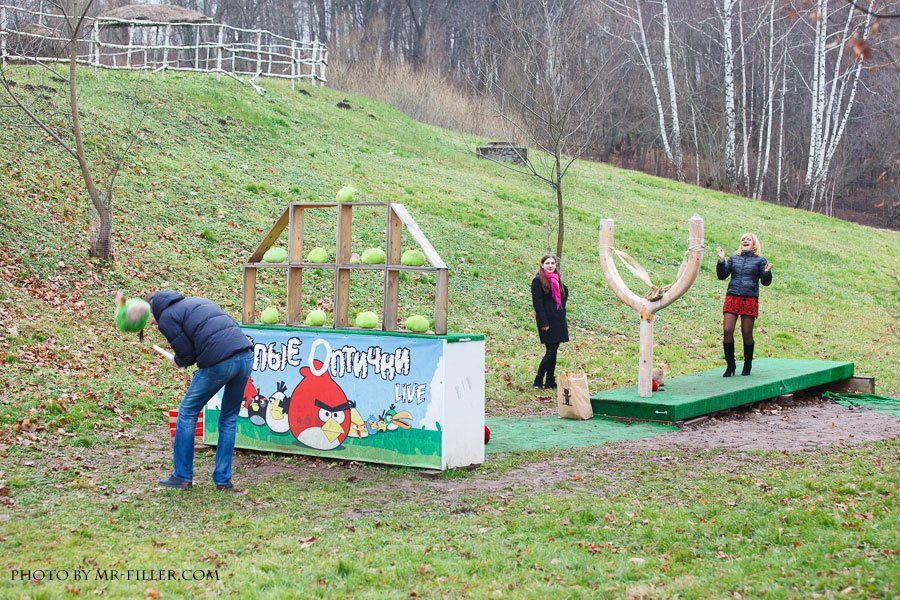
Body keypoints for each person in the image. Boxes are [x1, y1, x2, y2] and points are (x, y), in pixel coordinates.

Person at [145, 290, 253, 490]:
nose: (150, 323)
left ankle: (182, 476)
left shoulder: (167, 317)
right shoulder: (196, 301)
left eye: (149, 318)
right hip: (245, 356)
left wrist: (177, 361)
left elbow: (187, 354)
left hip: (219, 362)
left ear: (153, 309)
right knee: (228, 418)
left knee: (187, 412)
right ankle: (223, 480)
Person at [716, 233, 773, 377]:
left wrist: (767, 273)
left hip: (749, 298)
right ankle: (731, 365)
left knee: (746, 333)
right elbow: (722, 276)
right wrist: (722, 261)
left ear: (754, 244)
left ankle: (747, 365)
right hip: (733, 297)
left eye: (749, 239)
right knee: (727, 330)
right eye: (743, 239)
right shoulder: (733, 258)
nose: (745, 241)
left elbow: (765, 282)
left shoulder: (760, 260)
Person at [531, 254, 569, 389]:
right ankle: (538, 380)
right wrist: (544, 323)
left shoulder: (557, 280)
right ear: (542, 265)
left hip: (558, 321)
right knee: (550, 352)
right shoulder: (537, 281)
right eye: (547, 263)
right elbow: (538, 304)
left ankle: (550, 381)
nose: (550, 265)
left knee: (554, 351)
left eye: (553, 263)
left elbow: (565, 292)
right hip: (547, 322)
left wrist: (562, 308)